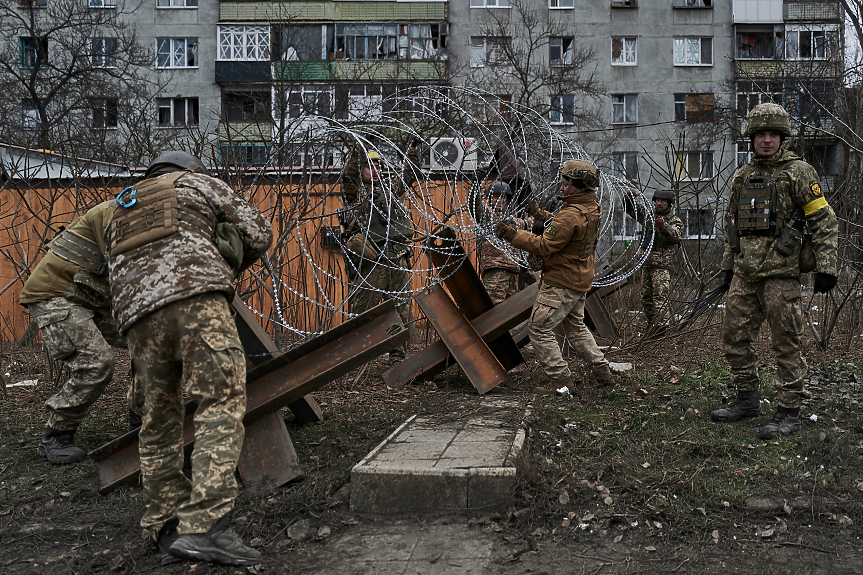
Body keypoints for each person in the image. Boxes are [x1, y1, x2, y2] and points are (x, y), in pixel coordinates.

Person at [107, 151, 273, 566]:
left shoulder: (119, 209)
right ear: (190, 169)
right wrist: (229, 258)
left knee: (157, 419)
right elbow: (258, 232)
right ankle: (206, 527)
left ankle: (166, 528)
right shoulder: (196, 183)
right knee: (220, 400)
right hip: (196, 297)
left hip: (137, 318)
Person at [710, 103, 838, 439]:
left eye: (773, 134)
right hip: (744, 273)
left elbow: (823, 221)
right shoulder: (742, 175)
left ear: (782, 137)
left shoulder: (799, 172)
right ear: (751, 138)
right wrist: (727, 268)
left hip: (781, 274)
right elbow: (732, 226)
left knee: (786, 343)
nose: (766, 140)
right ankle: (747, 400)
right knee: (733, 338)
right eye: (760, 134)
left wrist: (826, 266)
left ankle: (789, 412)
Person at [20, 199, 137, 465]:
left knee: (152, 341)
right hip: (56, 294)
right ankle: (56, 435)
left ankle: (141, 420)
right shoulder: (119, 211)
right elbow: (129, 266)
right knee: (97, 363)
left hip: (88, 295)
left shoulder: (154, 212)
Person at [494, 159, 615, 394]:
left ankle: (561, 380)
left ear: (578, 185)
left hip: (561, 282)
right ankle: (603, 371)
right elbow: (563, 227)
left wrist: (512, 234)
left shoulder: (570, 214)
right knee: (576, 328)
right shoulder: (590, 208)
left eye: (566, 183)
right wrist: (539, 213)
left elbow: (544, 245)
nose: (561, 187)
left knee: (539, 328)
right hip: (578, 279)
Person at [340, 143, 421, 365]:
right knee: (363, 311)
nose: (374, 168)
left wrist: (413, 149)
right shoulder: (354, 192)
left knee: (401, 309)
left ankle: (398, 359)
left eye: (377, 164)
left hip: (398, 255)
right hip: (373, 259)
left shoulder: (390, 188)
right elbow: (348, 174)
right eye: (368, 165)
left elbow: (409, 173)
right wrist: (358, 148)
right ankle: (354, 360)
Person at [623, 189, 684, 334]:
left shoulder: (674, 220)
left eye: (663, 201)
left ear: (669, 203)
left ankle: (661, 328)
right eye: (657, 200)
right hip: (646, 264)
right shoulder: (648, 215)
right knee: (646, 298)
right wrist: (628, 199)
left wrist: (664, 226)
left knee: (659, 298)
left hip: (661, 266)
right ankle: (652, 325)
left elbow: (677, 236)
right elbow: (632, 210)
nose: (659, 203)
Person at [477, 180, 531, 304]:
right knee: (495, 307)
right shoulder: (487, 216)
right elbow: (476, 206)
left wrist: (543, 214)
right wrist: (475, 188)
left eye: (503, 197)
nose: (500, 200)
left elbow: (526, 223)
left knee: (510, 310)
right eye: (496, 197)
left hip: (512, 270)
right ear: (490, 199)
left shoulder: (510, 220)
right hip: (496, 268)